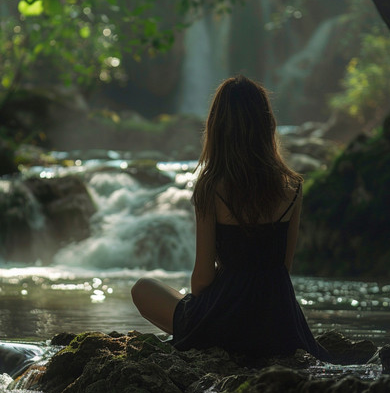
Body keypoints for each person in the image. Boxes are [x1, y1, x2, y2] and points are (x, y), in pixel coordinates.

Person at [131, 75, 329, 360]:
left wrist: (206, 303)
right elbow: (282, 268)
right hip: (277, 321)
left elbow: (202, 280)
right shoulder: (292, 187)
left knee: (143, 289)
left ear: (217, 127)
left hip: (225, 320)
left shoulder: (212, 187)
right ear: (266, 125)